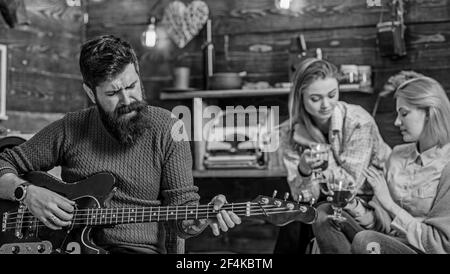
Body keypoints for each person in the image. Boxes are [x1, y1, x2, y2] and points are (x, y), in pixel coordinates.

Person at [0, 35, 241, 254]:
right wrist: (27, 193)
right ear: (91, 93)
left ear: (138, 73)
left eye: (132, 86)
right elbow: (4, 162)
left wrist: (198, 218)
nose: (127, 100)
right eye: (113, 93)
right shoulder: (71, 127)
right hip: (69, 247)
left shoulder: (169, 129)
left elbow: (182, 216)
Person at [274, 58, 391, 253]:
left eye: (332, 94)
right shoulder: (288, 132)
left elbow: (349, 187)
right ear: (300, 96)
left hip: (367, 203)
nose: (326, 104)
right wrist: (304, 170)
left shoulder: (358, 122)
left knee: (318, 215)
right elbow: (302, 195)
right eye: (315, 98)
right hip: (324, 201)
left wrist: (315, 145)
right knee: (292, 214)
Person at [349, 76, 450, 254]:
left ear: (429, 113)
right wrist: (355, 209)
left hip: (424, 250)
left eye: (404, 113)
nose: (397, 122)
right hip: (387, 242)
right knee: (327, 215)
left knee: (366, 240)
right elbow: (382, 225)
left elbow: (440, 245)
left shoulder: (447, 164)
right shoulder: (397, 155)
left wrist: (389, 204)